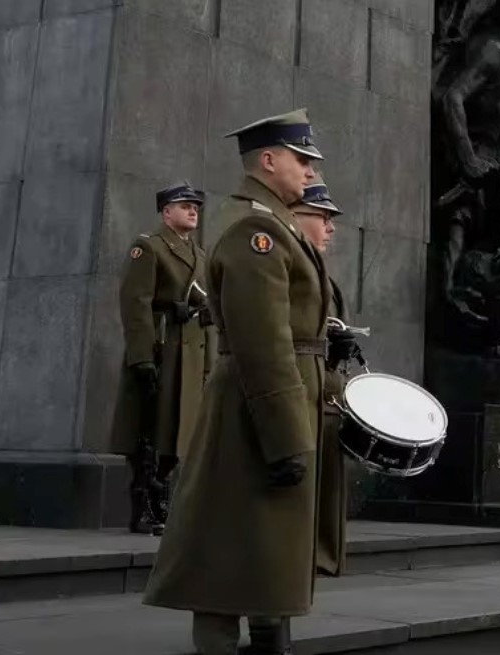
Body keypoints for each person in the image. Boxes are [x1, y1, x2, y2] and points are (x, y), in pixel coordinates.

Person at [143, 108, 331, 655]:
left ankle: (268, 639)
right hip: (257, 412)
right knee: (228, 557)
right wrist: (287, 433)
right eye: (302, 160)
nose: (310, 172)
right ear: (268, 161)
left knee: (266, 552)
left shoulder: (276, 224)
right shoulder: (257, 230)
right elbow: (262, 342)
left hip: (275, 406)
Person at [109, 181, 213, 536]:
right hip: (161, 349)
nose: (192, 210)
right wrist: (141, 358)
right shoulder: (149, 247)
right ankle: (145, 506)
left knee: (177, 431)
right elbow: (135, 304)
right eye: (184, 205)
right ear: (166, 212)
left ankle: (162, 497)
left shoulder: (200, 255)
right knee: (150, 430)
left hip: (190, 354)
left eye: (195, 206)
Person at [288, 176, 362, 578]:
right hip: (299, 387)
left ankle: (322, 555)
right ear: (296, 217)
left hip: (328, 388)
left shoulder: (326, 277)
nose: (331, 227)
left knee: (328, 484)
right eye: (322, 217)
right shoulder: (285, 266)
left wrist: (341, 347)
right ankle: (307, 556)